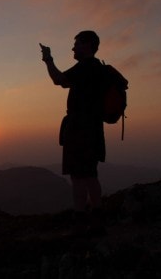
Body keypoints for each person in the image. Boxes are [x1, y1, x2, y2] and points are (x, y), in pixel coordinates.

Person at [40, 30, 111, 236]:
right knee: (90, 174)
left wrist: (48, 59)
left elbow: (59, 80)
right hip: (94, 128)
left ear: (88, 45)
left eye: (77, 44)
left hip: (80, 129)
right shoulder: (97, 69)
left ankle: (80, 222)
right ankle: (97, 220)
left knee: (79, 177)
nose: (73, 48)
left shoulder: (85, 67)